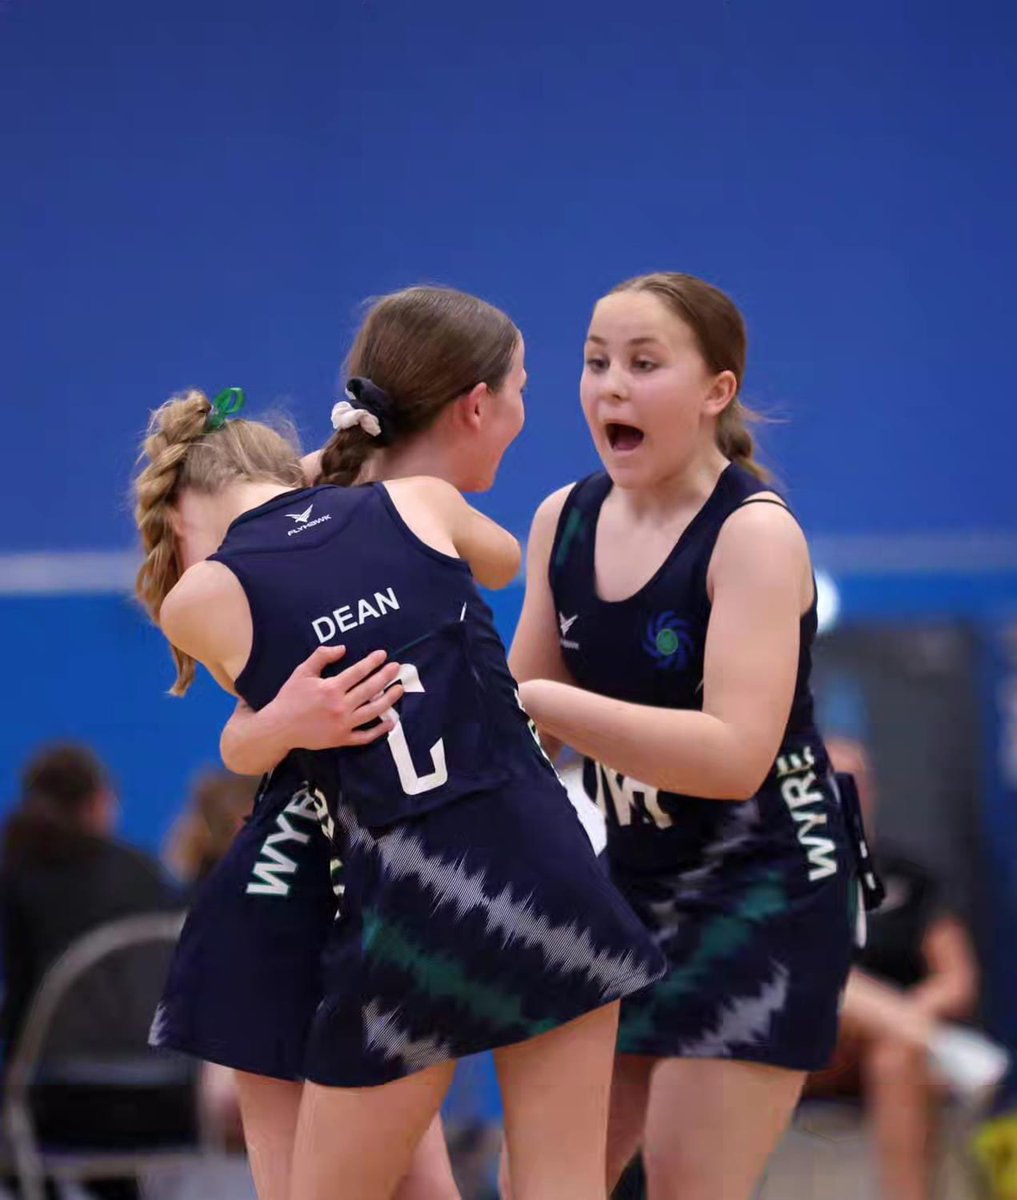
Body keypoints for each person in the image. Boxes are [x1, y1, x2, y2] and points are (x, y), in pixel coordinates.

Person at [132, 288, 666, 1200]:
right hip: (548, 872)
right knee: (564, 1184)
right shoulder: (417, 500)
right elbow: (499, 561)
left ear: (185, 515)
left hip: (421, 911)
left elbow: (246, 737)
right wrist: (345, 477)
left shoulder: (203, 595)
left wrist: (279, 720)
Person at [507, 272, 856, 1200]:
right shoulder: (561, 521)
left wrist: (545, 703)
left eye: (642, 364)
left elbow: (732, 754)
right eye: (593, 362)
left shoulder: (753, 536)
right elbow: (518, 736)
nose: (609, 386)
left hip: (765, 890)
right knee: (543, 1180)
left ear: (716, 393)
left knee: (685, 1184)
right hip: (632, 889)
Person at [805, 735, 1003, 1200]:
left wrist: (901, 1015)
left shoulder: (909, 877)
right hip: (808, 1040)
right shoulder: (779, 878)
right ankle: (946, 1047)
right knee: (827, 981)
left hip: (889, 1050)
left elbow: (957, 981)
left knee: (896, 1054)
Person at [0, 744, 188, 1198]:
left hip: (56, 1106)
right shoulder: (145, 873)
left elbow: (22, 1005)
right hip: (169, 1100)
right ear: (102, 801)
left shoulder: (17, 876)